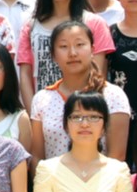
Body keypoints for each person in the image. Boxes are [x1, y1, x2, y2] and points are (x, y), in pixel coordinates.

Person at [16, 0, 115, 105]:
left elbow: (98, 73)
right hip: (43, 111)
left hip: (84, 110)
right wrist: (33, 113)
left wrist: (85, 111)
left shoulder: (95, 23)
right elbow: (25, 76)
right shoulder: (31, 27)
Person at [30, 21, 131, 160]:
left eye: (80, 45)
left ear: (92, 50)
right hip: (52, 174)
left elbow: (116, 155)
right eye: (63, 46)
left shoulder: (113, 95)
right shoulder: (41, 99)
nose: (72, 53)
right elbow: (37, 157)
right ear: (53, 55)